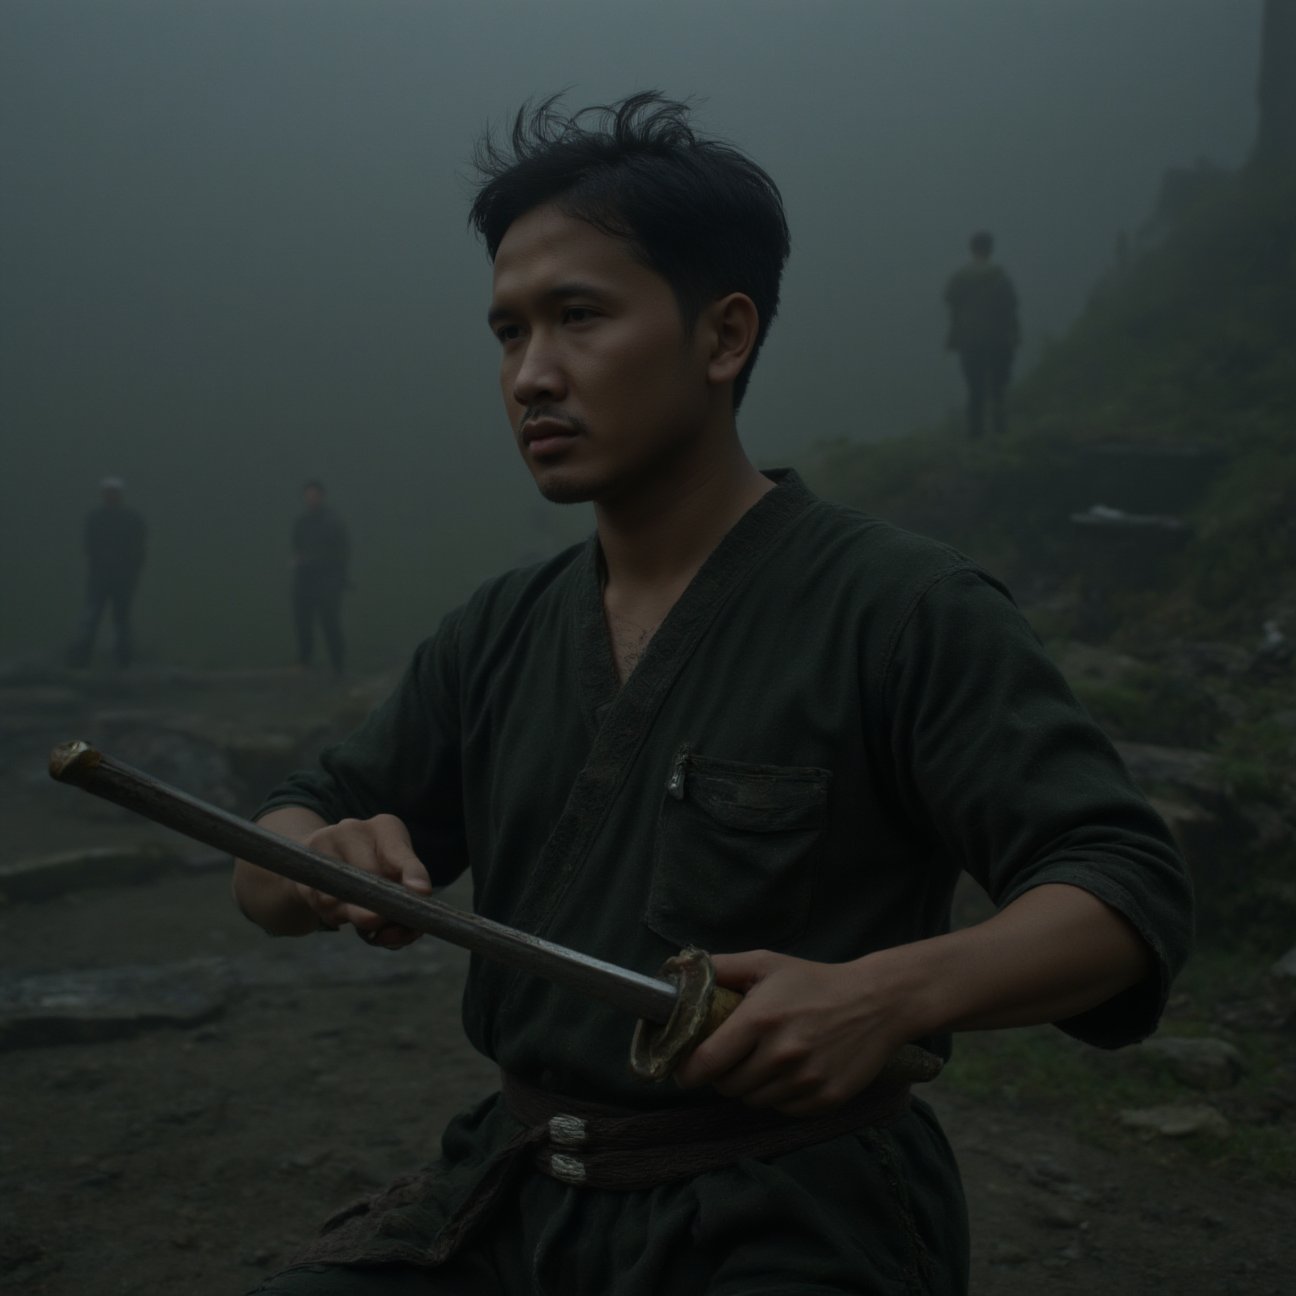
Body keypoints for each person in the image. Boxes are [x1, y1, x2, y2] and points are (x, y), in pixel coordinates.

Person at [234, 95, 1193, 1295]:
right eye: (508, 331)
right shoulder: (500, 630)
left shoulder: (900, 609)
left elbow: (1122, 886)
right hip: (511, 1190)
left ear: (723, 336)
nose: (532, 375)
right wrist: (314, 855)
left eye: (579, 318)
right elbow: (269, 857)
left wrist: (884, 995)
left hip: (789, 1211)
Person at [943, 230, 1019, 438]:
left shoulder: (960, 277)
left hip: (970, 341)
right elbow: (1011, 308)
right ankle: (1001, 435)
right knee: (998, 390)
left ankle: (975, 439)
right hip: (999, 340)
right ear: (990, 249)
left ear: (972, 249)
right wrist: (1014, 337)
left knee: (975, 391)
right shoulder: (1000, 276)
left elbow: (951, 303)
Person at [67, 475, 147, 669]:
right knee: (91, 617)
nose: (111, 495)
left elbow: (139, 549)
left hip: (121, 579)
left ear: (120, 495)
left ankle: (123, 661)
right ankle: (81, 660)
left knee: (120, 620)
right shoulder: (95, 518)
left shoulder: (132, 519)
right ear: (103, 494)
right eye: (108, 492)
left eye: (114, 492)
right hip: (100, 578)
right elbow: (89, 547)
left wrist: (130, 572)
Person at [291, 480, 350, 673]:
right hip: (305, 582)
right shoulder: (302, 522)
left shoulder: (333, 522)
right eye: (308, 495)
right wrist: (299, 562)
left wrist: (339, 577)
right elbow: (296, 548)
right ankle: (304, 663)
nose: (311, 499)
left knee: (330, 624)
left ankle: (338, 667)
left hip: (328, 582)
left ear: (322, 496)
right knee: (303, 624)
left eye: (314, 495)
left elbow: (342, 552)